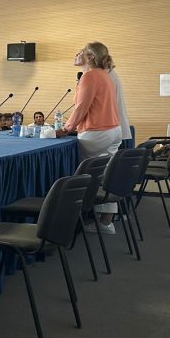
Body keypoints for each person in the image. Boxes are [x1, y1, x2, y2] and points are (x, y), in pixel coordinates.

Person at [59, 42, 122, 234]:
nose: (76, 54)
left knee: (90, 177)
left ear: (90, 57)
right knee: (105, 177)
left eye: (81, 52)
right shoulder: (105, 75)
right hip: (113, 130)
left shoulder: (90, 76)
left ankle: (69, 222)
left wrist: (66, 128)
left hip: (96, 132)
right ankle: (105, 222)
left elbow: (81, 108)